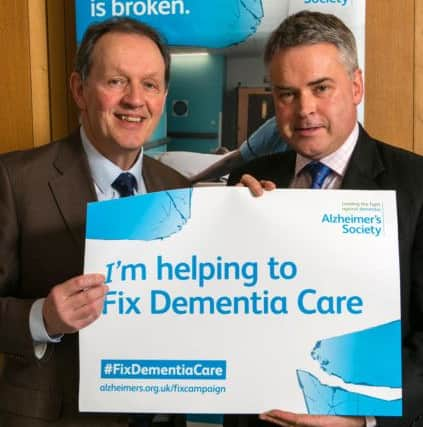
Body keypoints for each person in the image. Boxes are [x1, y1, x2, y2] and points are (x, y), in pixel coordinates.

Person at [228, 10, 423, 427]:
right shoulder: (244, 186)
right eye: (287, 94)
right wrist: (232, 225)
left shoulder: (417, 185)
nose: (305, 110)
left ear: (356, 86)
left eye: (321, 88)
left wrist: (360, 420)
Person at [0, 18, 189, 427]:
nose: (135, 100)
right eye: (116, 81)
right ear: (79, 90)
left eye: (150, 85)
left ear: (163, 95)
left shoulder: (178, 189)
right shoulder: (15, 180)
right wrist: (42, 318)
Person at [190, 117, 288, 183]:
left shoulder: (277, 127)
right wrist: (193, 180)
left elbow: (230, 162)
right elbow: (230, 161)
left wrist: (193, 180)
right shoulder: (276, 127)